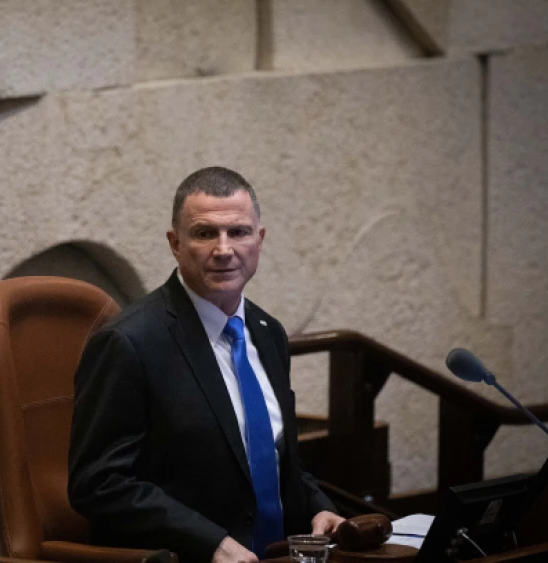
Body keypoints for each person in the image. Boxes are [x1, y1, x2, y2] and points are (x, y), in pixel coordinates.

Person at [68, 167, 344, 563]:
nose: (224, 249)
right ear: (175, 244)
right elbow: (99, 483)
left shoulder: (268, 333)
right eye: (204, 233)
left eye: (238, 232)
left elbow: (273, 459)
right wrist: (209, 542)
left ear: (260, 240)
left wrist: (319, 508)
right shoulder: (129, 342)